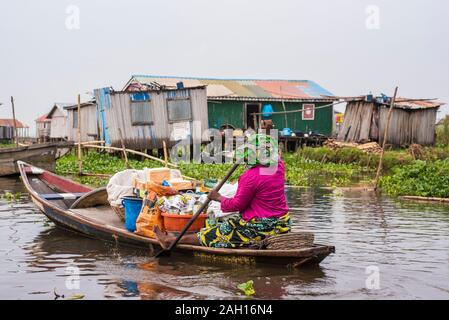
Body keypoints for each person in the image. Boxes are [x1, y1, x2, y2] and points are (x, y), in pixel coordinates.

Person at [153, 134, 291, 249]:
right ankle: (175, 238)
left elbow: (236, 205)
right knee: (225, 223)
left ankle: (170, 241)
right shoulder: (278, 165)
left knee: (213, 233)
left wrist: (217, 197)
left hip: (260, 228)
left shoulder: (249, 177)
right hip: (282, 223)